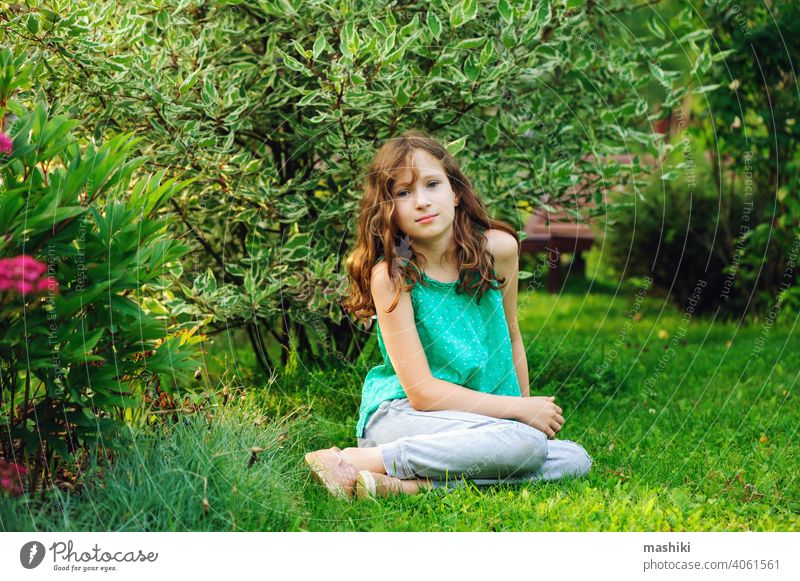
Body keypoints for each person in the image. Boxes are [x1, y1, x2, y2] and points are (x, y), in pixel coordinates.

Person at [305, 130, 592, 500]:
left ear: (455, 193)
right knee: (527, 449)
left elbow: (511, 332)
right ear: (388, 210)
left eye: (432, 184)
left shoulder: (499, 250)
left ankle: (406, 486)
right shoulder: (392, 275)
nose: (421, 201)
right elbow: (422, 393)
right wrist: (518, 413)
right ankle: (359, 457)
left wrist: (522, 411)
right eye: (403, 193)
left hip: (476, 420)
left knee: (572, 458)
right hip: (402, 417)